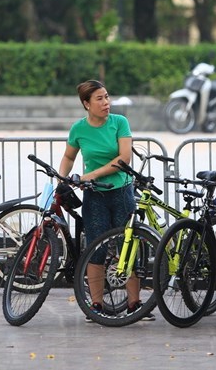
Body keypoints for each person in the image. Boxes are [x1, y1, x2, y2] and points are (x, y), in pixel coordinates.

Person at [57, 80, 153, 321]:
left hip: (121, 191)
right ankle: (96, 305)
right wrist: (62, 179)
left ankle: (135, 304)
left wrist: (88, 175)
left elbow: (124, 159)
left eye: (107, 97)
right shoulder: (78, 129)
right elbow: (69, 156)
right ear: (86, 104)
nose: (106, 103)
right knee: (96, 249)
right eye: (99, 99)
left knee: (126, 248)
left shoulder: (120, 123)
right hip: (94, 195)